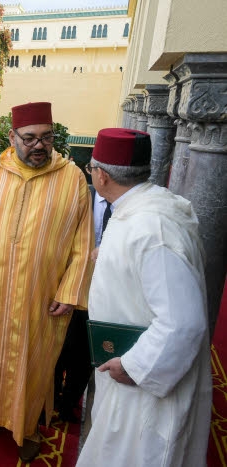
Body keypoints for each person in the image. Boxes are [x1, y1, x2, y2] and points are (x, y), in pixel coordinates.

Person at [0, 102, 93, 462]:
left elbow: (84, 241)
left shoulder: (73, 178)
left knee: (34, 365)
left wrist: (70, 291)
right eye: (30, 138)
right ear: (13, 137)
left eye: (46, 137)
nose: (39, 145)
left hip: (43, 295)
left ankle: (28, 427)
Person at [76, 128, 211, 467]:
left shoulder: (152, 228)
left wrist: (135, 367)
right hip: (125, 362)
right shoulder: (141, 207)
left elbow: (183, 322)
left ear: (101, 175)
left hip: (142, 378)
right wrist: (106, 257)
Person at [53, 181, 109, 422]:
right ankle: (50, 399)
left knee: (85, 353)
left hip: (104, 291)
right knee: (57, 347)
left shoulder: (128, 209)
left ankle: (69, 404)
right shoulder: (78, 196)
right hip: (66, 286)